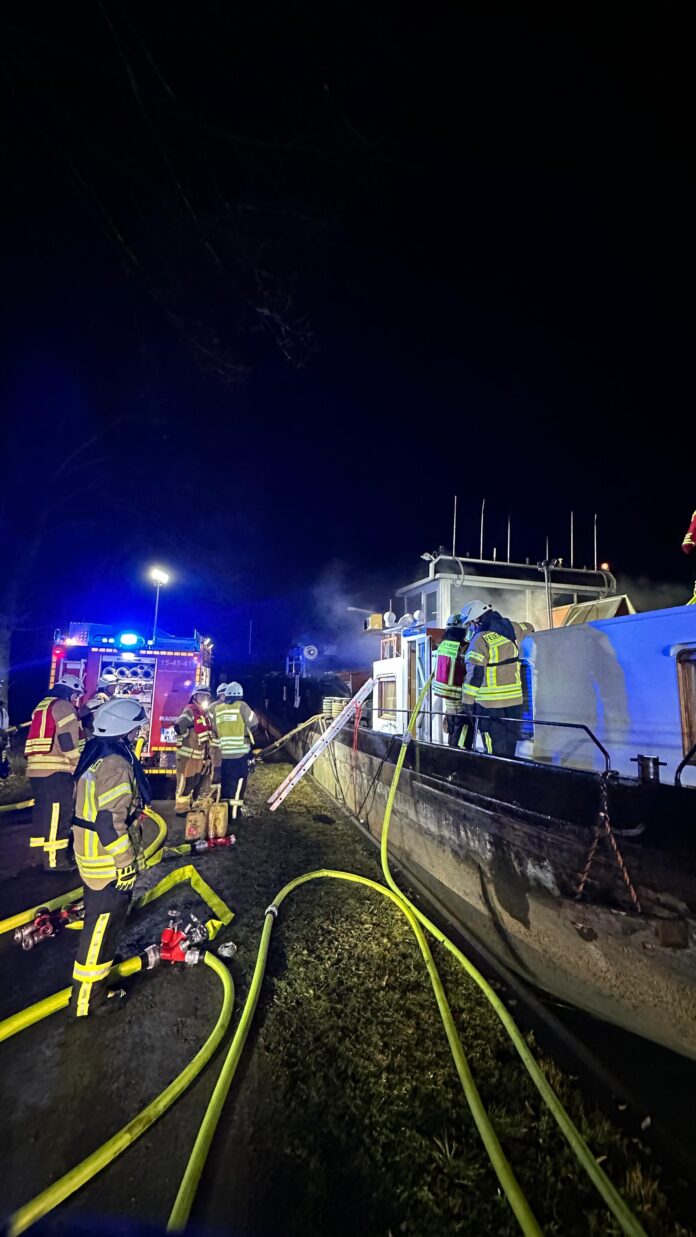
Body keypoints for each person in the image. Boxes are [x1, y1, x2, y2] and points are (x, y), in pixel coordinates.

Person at [71, 697, 150, 1018]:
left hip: (89, 854)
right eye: (135, 727)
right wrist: (125, 863)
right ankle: (88, 999)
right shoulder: (116, 764)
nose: (137, 732)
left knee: (101, 925)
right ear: (123, 729)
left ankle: (99, 972)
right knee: (100, 929)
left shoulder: (94, 755)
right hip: (105, 861)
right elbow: (108, 822)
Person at [25, 673, 85, 871]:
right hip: (56, 771)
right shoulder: (64, 706)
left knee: (42, 814)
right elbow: (67, 738)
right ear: (70, 691)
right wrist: (77, 763)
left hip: (36, 771)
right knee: (58, 816)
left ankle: (36, 857)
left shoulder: (42, 705)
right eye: (76, 695)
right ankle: (55, 861)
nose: (75, 699)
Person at [459, 608, 534, 757]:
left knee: (493, 751)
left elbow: (475, 674)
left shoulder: (479, 640)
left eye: (470, 625)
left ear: (476, 620)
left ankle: (494, 778)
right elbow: (530, 627)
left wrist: (467, 701)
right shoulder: (512, 627)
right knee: (509, 747)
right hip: (514, 702)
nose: (470, 629)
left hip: (489, 706)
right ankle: (508, 778)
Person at [433, 606, 491, 748]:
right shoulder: (463, 648)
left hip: (448, 702)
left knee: (453, 734)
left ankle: (451, 764)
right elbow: (471, 669)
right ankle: (458, 765)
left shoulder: (443, 645)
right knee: (463, 737)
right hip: (461, 700)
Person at [215, 682, 258, 820]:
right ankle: (234, 815)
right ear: (239, 695)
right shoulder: (242, 706)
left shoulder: (219, 709)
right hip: (240, 754)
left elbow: (216, 729)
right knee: (239, 783)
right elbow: (254, 723)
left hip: (224, 755)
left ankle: (223, 815)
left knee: (226, 784)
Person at [174, 684, 214, 814]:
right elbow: (179, 725)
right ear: (195, 696)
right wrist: (185, 736)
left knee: (193, 782)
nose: (204, 698)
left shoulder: (202, 713)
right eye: (202, 695)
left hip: (197, 757)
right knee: (184, 783)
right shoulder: (190, 710)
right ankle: (181, 809)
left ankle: (188, 805)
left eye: (206, 696)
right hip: (187, 756)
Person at [80, 669, 120, 733]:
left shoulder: (105, 697)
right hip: (93, 730)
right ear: (105, 686)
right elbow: (87, 707)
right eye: (113, 687)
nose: (114, 689)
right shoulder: (101, 696)